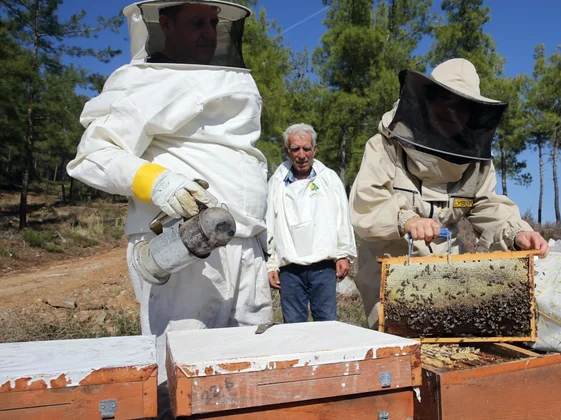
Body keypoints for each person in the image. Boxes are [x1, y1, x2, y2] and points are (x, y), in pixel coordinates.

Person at [66, 1, 272, 418]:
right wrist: (157, 182)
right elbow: (93, 153)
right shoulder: (141, 82)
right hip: (187, 248)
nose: (209, 33)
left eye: (214, 23)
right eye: (197, 22)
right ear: (165, 24)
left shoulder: (231, 81)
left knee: (252, 377)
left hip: (246, 248)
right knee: (183, 379)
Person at [349, 58, 551, 329]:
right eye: (444, 100)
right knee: (399, 356)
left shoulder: (476, 162)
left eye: (462, 106)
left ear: (473, 113)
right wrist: (405, 220)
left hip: (446, 278)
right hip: (389, 276)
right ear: (427, 101)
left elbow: (487, 205)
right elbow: (367, 203)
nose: (451, 111)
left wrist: (516, 233)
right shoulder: (385, 146)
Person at [266, 124, 357, 323]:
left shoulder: (329, 178)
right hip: (289, 270)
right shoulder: (276, 182)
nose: (301, 155)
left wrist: (344, 254)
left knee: (327, 325)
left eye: (306, 149)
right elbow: (269, 225)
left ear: (314, 149)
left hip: (323, 267)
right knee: (294, 328)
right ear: (287, 151)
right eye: (295, 149)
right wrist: (271, 265)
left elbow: (342, 217)